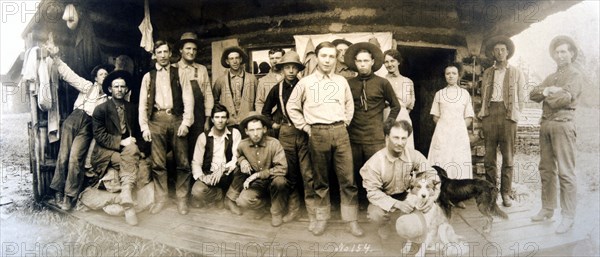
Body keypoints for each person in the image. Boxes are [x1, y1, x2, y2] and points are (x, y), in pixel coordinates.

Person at [287, 41, 363, 237]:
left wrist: (344, 122)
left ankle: (351, 221)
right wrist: (305, 126)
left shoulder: (341, 81)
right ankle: (322, 219)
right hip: (317, 133)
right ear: (317, 58)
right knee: (320, 180)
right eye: (324, 56)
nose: (328, 60)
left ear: (336, 58)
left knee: (348, 179)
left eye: (331, 56)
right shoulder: (306, 82)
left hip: (340, 132)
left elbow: (349, 105)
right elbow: (292, 106)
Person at [47, 44, 114, 211]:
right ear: (96, 79)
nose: (104, 76)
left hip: (89, 126)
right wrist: (56, 58)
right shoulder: (87, 87)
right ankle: (57, 192)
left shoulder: (110, 98)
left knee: (75, 158)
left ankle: (70, 196)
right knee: (63, 156)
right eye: (101, 74)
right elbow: (70, 75)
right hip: (74, 119)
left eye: (106, 75)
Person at [529, 35, 583, 234]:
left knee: (566, 172)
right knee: (545, 168)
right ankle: (548, 208)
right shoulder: (551, 78)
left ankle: (568, 217)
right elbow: (533, 94)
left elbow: (564, 99)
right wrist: (548, 90)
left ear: (571, 54)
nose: (560, 55)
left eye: (564, 51)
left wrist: (549, 95)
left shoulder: (575, 75)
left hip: (563, 125)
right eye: (557, 52)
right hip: (546, 126)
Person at [139, 40, 194, 215]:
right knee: (158, 163)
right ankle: (161, 198)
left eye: (165, 52)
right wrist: (144, 127)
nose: (163, 56)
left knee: (182, 161)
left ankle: (182, 199)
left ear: (170, 54)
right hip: (156, 120)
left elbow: (188, 98)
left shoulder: (180, 74)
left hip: (176, 118)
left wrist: (186, 122)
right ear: (155, 54)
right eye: (159, 52)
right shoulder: (149, 76)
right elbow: (142, 104)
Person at [262, 51, 316, 226]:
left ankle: (312, 213)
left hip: (304, 132)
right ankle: (293, 210)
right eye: (287, 67)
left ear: (299, 69)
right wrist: (273, 124)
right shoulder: (276, 89)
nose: (291, 71)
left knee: (308, 174)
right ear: (282, 69)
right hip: (285, 133)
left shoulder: (306, 85)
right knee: (290, 174)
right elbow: (265, 112)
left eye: (294, 67)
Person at [345, 42, 401, 210]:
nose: (362, 64)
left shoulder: (382, 83)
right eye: (359, 61)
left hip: (375, 138)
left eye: (366, 61)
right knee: (355, 173)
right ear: (355, 63)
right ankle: (360, 206)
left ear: (372, 62)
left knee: (376, 173)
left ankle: (377, 206)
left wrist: (387, 125)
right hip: (353, 137)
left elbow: (396, 106)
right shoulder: (348, 83)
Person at [360, 120, 439, 240]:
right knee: (375, 215)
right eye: (396, 138)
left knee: (427, 209)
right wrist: (397, 204)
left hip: (406, 195)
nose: (400, 143)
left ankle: (413, 226)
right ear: (387, 137)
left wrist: (432, 198)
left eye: (403, 138)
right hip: (384, 197)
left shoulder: (413, 155)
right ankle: (385, 226)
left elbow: (431, 174)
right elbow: (373, 192)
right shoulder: (375, 162)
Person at [91, 70, 148, 225]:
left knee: (134, 150)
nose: (119, 90)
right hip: (107, 151)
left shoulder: (132, 108)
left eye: (122, 87)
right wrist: (120, 142)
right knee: (130, 157)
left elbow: (138, 132)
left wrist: (139, 148)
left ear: (126, 89)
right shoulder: (101, 109)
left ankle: (126, 197)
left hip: (128, 148)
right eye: (116, 86)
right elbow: (100, 136)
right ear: (110, 89)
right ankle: (128, 201)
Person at [479, 36, 526, 208]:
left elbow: (522, 96)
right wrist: (485, 115)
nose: (500, 53)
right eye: (497, 50)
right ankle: (491, 193)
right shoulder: (487, 73)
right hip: (491, 114)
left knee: (508, 157)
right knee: (489, 158)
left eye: (503, 50)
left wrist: (515, 113)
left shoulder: (516, 72)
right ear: (493, 52)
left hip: (508, 116)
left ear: (508, 52)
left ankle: (505, 193)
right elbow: (484, 96)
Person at [233, 112, 288, 227]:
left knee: (280, 182)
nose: (256, 134)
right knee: (241, 201)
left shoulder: (274, 144)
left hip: (273, 180)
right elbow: (238, 155)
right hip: (257, 184)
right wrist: (242, 161)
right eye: (252, 130)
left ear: (264, 129)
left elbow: (282, 168)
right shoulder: (243, 145)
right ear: (246, 132)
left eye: (258, 129)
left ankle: (276, 212)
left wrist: (257, 175)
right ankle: (264, 205)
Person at [428, 63, 475, 181]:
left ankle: (460, 191)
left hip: (459, 134)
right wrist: (444, 129)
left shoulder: (464, 94)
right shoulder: (439, 94)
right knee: (442, 159)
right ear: (444, 76)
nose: (451, 76)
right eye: (448, 73)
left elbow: (468, 117)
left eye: (454, 73)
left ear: (458, 75)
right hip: (442, 133)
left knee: (458, 159)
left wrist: (457, 130)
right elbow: (435, 116)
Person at [190, 104, 241, 209]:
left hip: (228, 174)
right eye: (217, 117)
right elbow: (196, 162)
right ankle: (218, 196)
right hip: (210, 175)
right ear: (212, 119)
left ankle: (229, 197)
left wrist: (222, 169)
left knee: (240, 169)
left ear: (227, 119)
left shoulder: (235, 133)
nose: (220, 120)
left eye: (223, 117)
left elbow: (237, 158)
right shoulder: (203, 137)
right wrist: (203, 178)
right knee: (197, 191)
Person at [173, 32, 214, 158]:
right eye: (188, 48)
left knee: (198, 145)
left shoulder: (201, 69)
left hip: (198, 115)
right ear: (181, 50)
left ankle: (196, 174)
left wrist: (207, 119)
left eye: (194, 49)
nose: (191, 52)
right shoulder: (173, 68)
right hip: (179, 114)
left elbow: (207, 93)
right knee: (180, 146)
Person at [213, 46, 258, 128]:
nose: (235, 61)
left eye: (237, 58)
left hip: (248, 122)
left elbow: (258, 100)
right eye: (231, 59)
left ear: (240, 60)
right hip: (229, 123)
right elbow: (214, 101)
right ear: (227, 61)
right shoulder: (220, 80)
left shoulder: (252, 79)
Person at [383, 49, 416, 149]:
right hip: (387, 116)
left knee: (404, 148)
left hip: (403, 117)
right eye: (386, 62)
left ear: (398, 62)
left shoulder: (407, 82)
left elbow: (410, 105)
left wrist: (403, 114)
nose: (389, 64)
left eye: (392, 61)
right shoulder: (382, 81)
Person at [256, 48, 285, 114]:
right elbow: (259, 103)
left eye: (277, 58)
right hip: (272, 120)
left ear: (283, 59)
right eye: (272, 58)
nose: (274, 61)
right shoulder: (263, 81)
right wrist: (265, 119)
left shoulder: (291, 78)